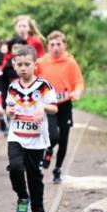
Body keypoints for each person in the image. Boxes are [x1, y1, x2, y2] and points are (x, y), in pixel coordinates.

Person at [5, 45, 57, 212]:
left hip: (37, 139)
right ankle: (22, 196)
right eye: (19, 64)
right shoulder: (12, 87)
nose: (23, 68)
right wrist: (9, 111)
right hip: (16, 135)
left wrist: (42, 107)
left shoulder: (43, 86)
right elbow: (8, 108)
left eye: (27, 64)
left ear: (35, 64)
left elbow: (54, 107)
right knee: (16, 168)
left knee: (35, 177)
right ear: (14, 65)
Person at [37, 30, 84, 183]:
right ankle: (49, 149)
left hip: (64, 105)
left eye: (59, 44)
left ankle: (57, 169)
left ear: (64, 46)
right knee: (53, 136)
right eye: (52, 45)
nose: (56, 48)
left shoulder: (70, 62)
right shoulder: (41, 62)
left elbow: (79, 81)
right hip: (49, 105)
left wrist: (77, 91)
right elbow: (33, 79)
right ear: (48, 46)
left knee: (63, 139)